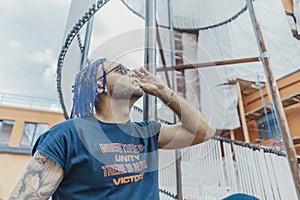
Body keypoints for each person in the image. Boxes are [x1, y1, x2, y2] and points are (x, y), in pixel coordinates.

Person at [8, 58, 215, 199]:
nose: (132, 73)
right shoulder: (67, 135)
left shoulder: (148, 133)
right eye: (121, 70)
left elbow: (204, 132)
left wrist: (165, 92)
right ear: (100, 86)